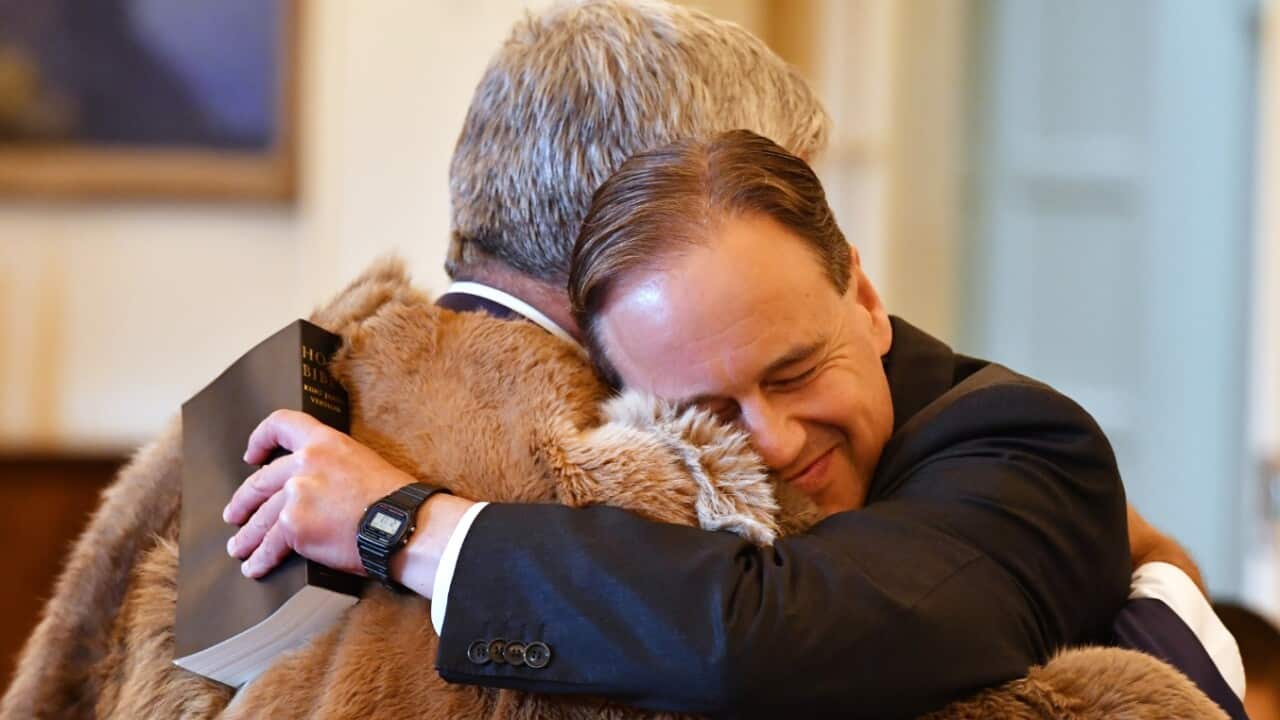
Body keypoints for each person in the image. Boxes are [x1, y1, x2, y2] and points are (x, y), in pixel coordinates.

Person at [220, 2, 1242, 716]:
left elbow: (774, 632)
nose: (772, 438)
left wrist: (404, 525)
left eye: (795, 369)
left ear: (860, 294)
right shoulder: (320, 414)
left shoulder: (1014, 440)